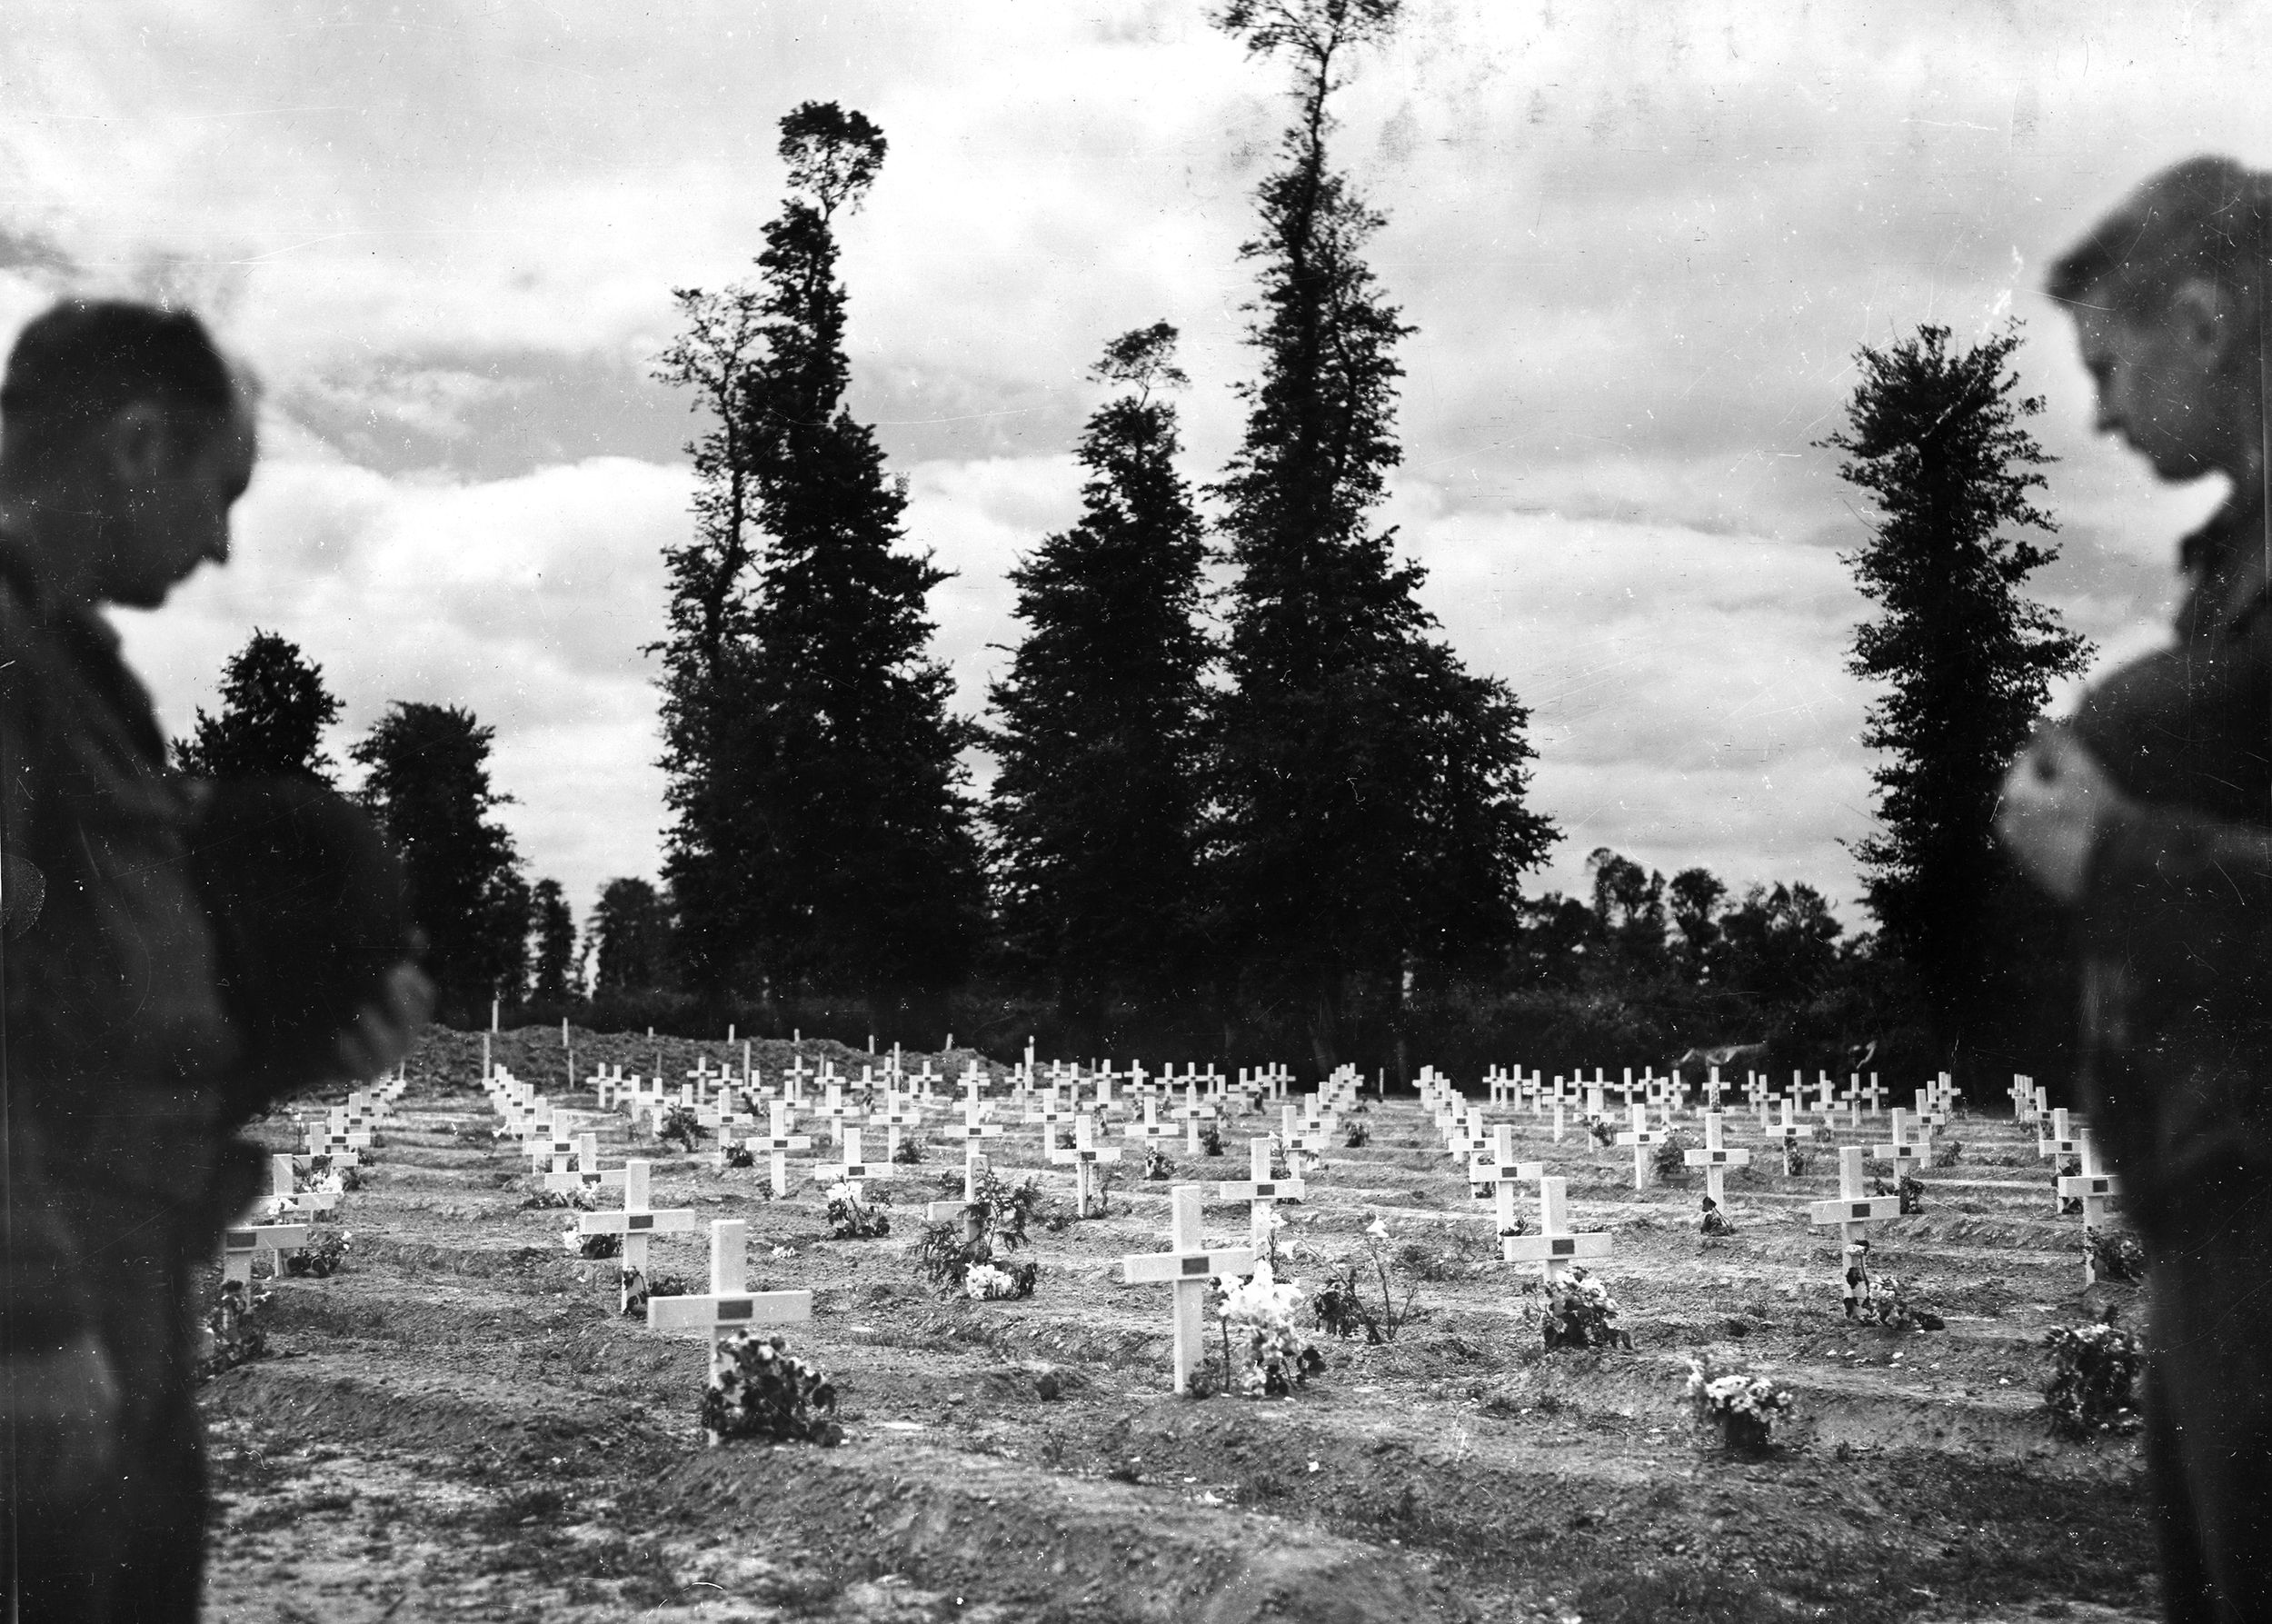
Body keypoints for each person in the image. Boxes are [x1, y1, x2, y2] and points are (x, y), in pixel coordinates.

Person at [0, 300, 431, 1621]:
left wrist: (296, 1043)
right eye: (220, 491)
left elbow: (87, 1011)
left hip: (126, 1252)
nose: (222, 543)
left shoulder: (79, 677)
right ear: (140, 444)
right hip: (51, 1288)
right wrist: (27, 1319)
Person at [1998, 156, 2272, 1623]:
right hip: (2210, 1193)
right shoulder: (2241, 560)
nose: (2101, 415)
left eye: (2110, 368)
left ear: (2207, 323)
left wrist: (2116, 856)